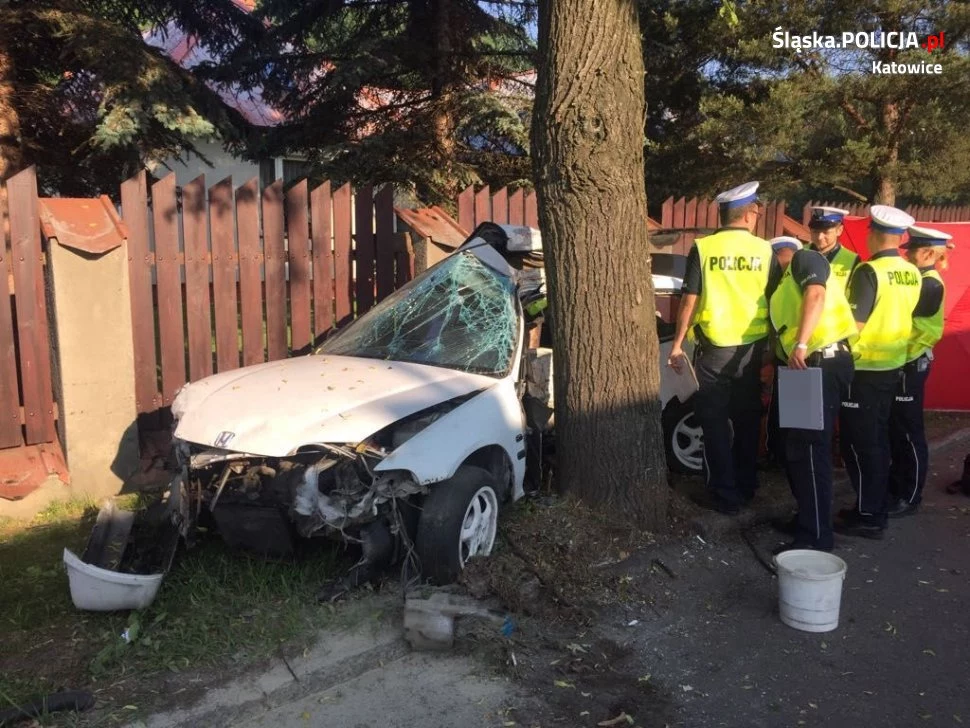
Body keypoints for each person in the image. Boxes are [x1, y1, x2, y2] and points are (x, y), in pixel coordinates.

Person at [668, 181, 780, 515]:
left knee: (714, 422)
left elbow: (690, 299)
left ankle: (723, 493)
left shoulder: (704, 249)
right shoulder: (765, 250)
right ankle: (747, 485)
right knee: (746, 419)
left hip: (714, 349)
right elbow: (776, 301)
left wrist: (676, 344)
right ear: (750, 214)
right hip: (752, 349)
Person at [836, 205, 922, 539]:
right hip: (892, 365)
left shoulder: (869, 272)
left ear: (873, 234)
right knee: (878, 439)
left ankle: (870, 514)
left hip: (865, 368)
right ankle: (874, 504)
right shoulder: (912, 272)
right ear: (899, 238)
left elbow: (855, 323)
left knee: (860, 443)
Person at [768, 242, 857, 553]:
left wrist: (802, 344)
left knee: (808, 449)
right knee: (794, 447)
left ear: (781, 253)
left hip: (818, 361)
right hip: (803, 367)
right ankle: (807, 519)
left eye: (773, 260)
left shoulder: (804, 259)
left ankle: (816, 537)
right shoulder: (785, 281)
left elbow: (816, 295)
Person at [887, 226, 951, 517]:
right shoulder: (920, 280)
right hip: (902, 361)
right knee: (896, 429)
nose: (907, 256)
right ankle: (897, 487)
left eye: (911, 251)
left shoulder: (929, 284)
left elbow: (907, 322)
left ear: (927, 253)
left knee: (909, 431)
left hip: (910, 363)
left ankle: (910, 495)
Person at [765, 236, 804, 468]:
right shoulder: (775, 285)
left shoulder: (798, 283)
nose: (783, 268)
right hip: (784, 356)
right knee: (780, 411)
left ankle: (790, 460)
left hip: (799, 357)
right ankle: (779, 457)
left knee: (796, 414)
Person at [807, 206, 860, 292]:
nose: (820, 237)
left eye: (826, 232)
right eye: (815, 231)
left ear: (839, 230)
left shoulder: (852, 260)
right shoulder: (799, 252)